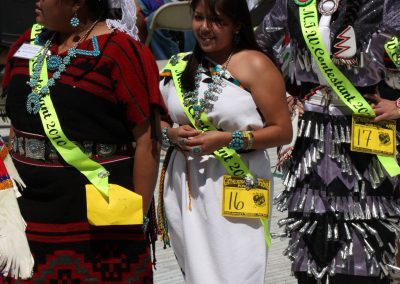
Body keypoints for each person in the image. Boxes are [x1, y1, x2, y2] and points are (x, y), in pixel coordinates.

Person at [1, 0, 165, 282]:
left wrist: (136, 216)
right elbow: (17, 119)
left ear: (77, 4)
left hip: (95, 218)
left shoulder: (121, 51)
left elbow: (148, 140)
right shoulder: (28, 41)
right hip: (26, 210)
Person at [256, 0, 400, 283]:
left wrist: (398, 106)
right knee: (312, 240)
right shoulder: (296, 4)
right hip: (310, 136)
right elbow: (257, 46)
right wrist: (279, 92)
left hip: (365, 134)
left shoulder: (385, 3)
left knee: (367, 236)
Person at [157, 0, 292, 283]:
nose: (205, 28)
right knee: (196, 270)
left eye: (217, 21)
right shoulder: (180, 65)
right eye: (199, 18)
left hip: (237, 181)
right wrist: (171, 134)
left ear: (237, 25)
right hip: (185, 184)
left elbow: (282, 131)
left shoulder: (256, 64)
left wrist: (228, 139)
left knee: (237, 268)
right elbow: (159, 119)